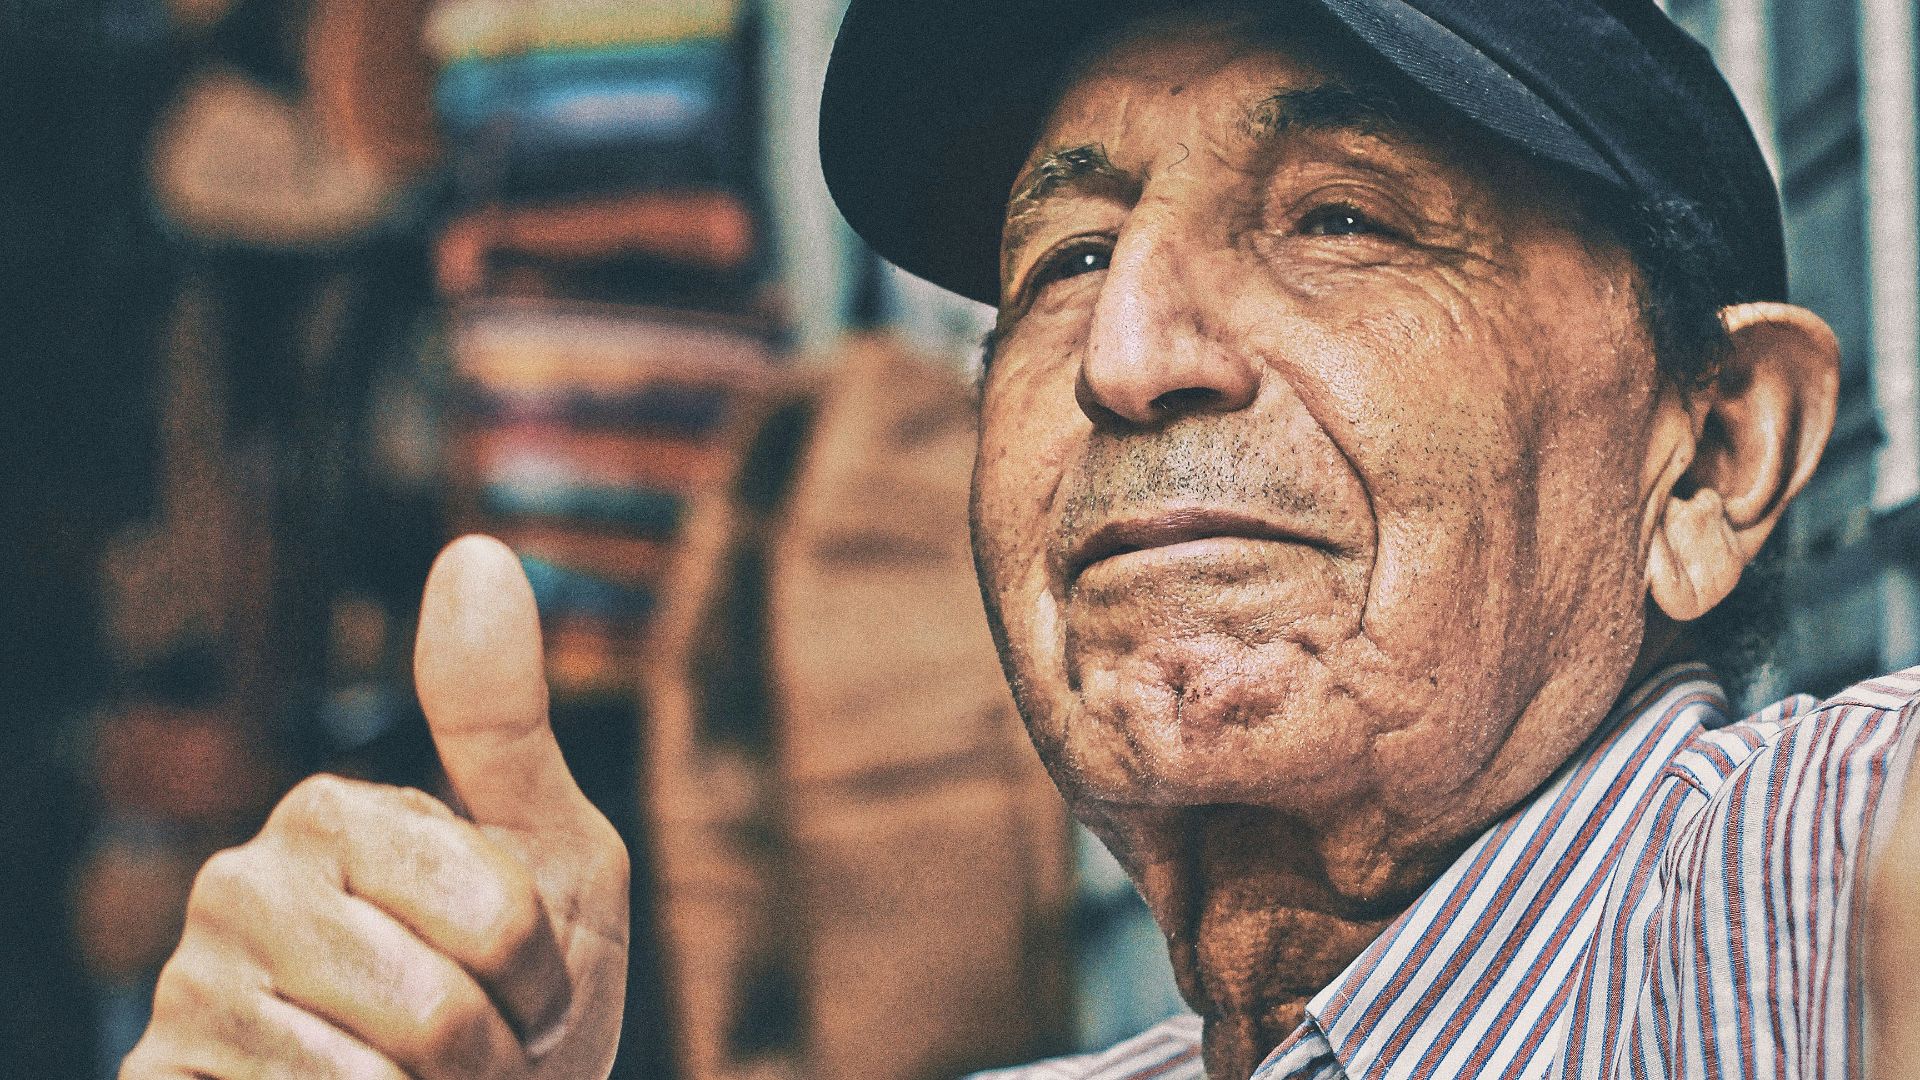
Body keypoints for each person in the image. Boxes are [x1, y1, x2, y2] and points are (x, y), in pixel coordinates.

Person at [121, 1, 1920, 1078]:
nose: (1127, 353)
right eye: (1060, 261)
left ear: (1710, 455)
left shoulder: (1819, 901)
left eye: (1345, 216)